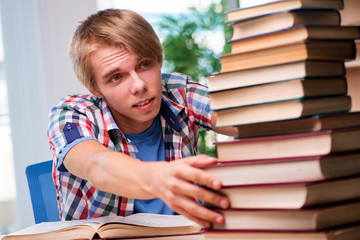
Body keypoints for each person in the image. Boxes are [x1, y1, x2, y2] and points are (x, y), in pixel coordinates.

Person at [47, 8, 238, 228]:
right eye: (116, 77)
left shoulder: (178, 92)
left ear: (159, 60)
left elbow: (243, 119)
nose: (139, 86)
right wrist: (155, 179)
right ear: (95, 88)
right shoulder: (72, 113)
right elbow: (94, 164)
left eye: (144, 64)